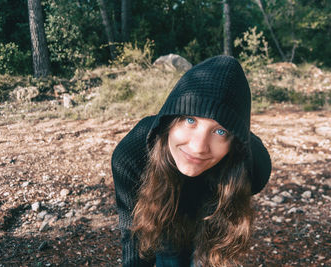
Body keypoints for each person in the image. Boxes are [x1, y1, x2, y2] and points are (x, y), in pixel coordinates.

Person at [111, 55, 271, 267]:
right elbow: (134, 239)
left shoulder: (250, 168)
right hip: (162, 202)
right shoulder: (131, 155)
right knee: (169, 254)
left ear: (235, 143)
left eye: (220, 131)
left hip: (207, 210)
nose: (198, 147)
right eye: (190, 120)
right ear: (169, 122)